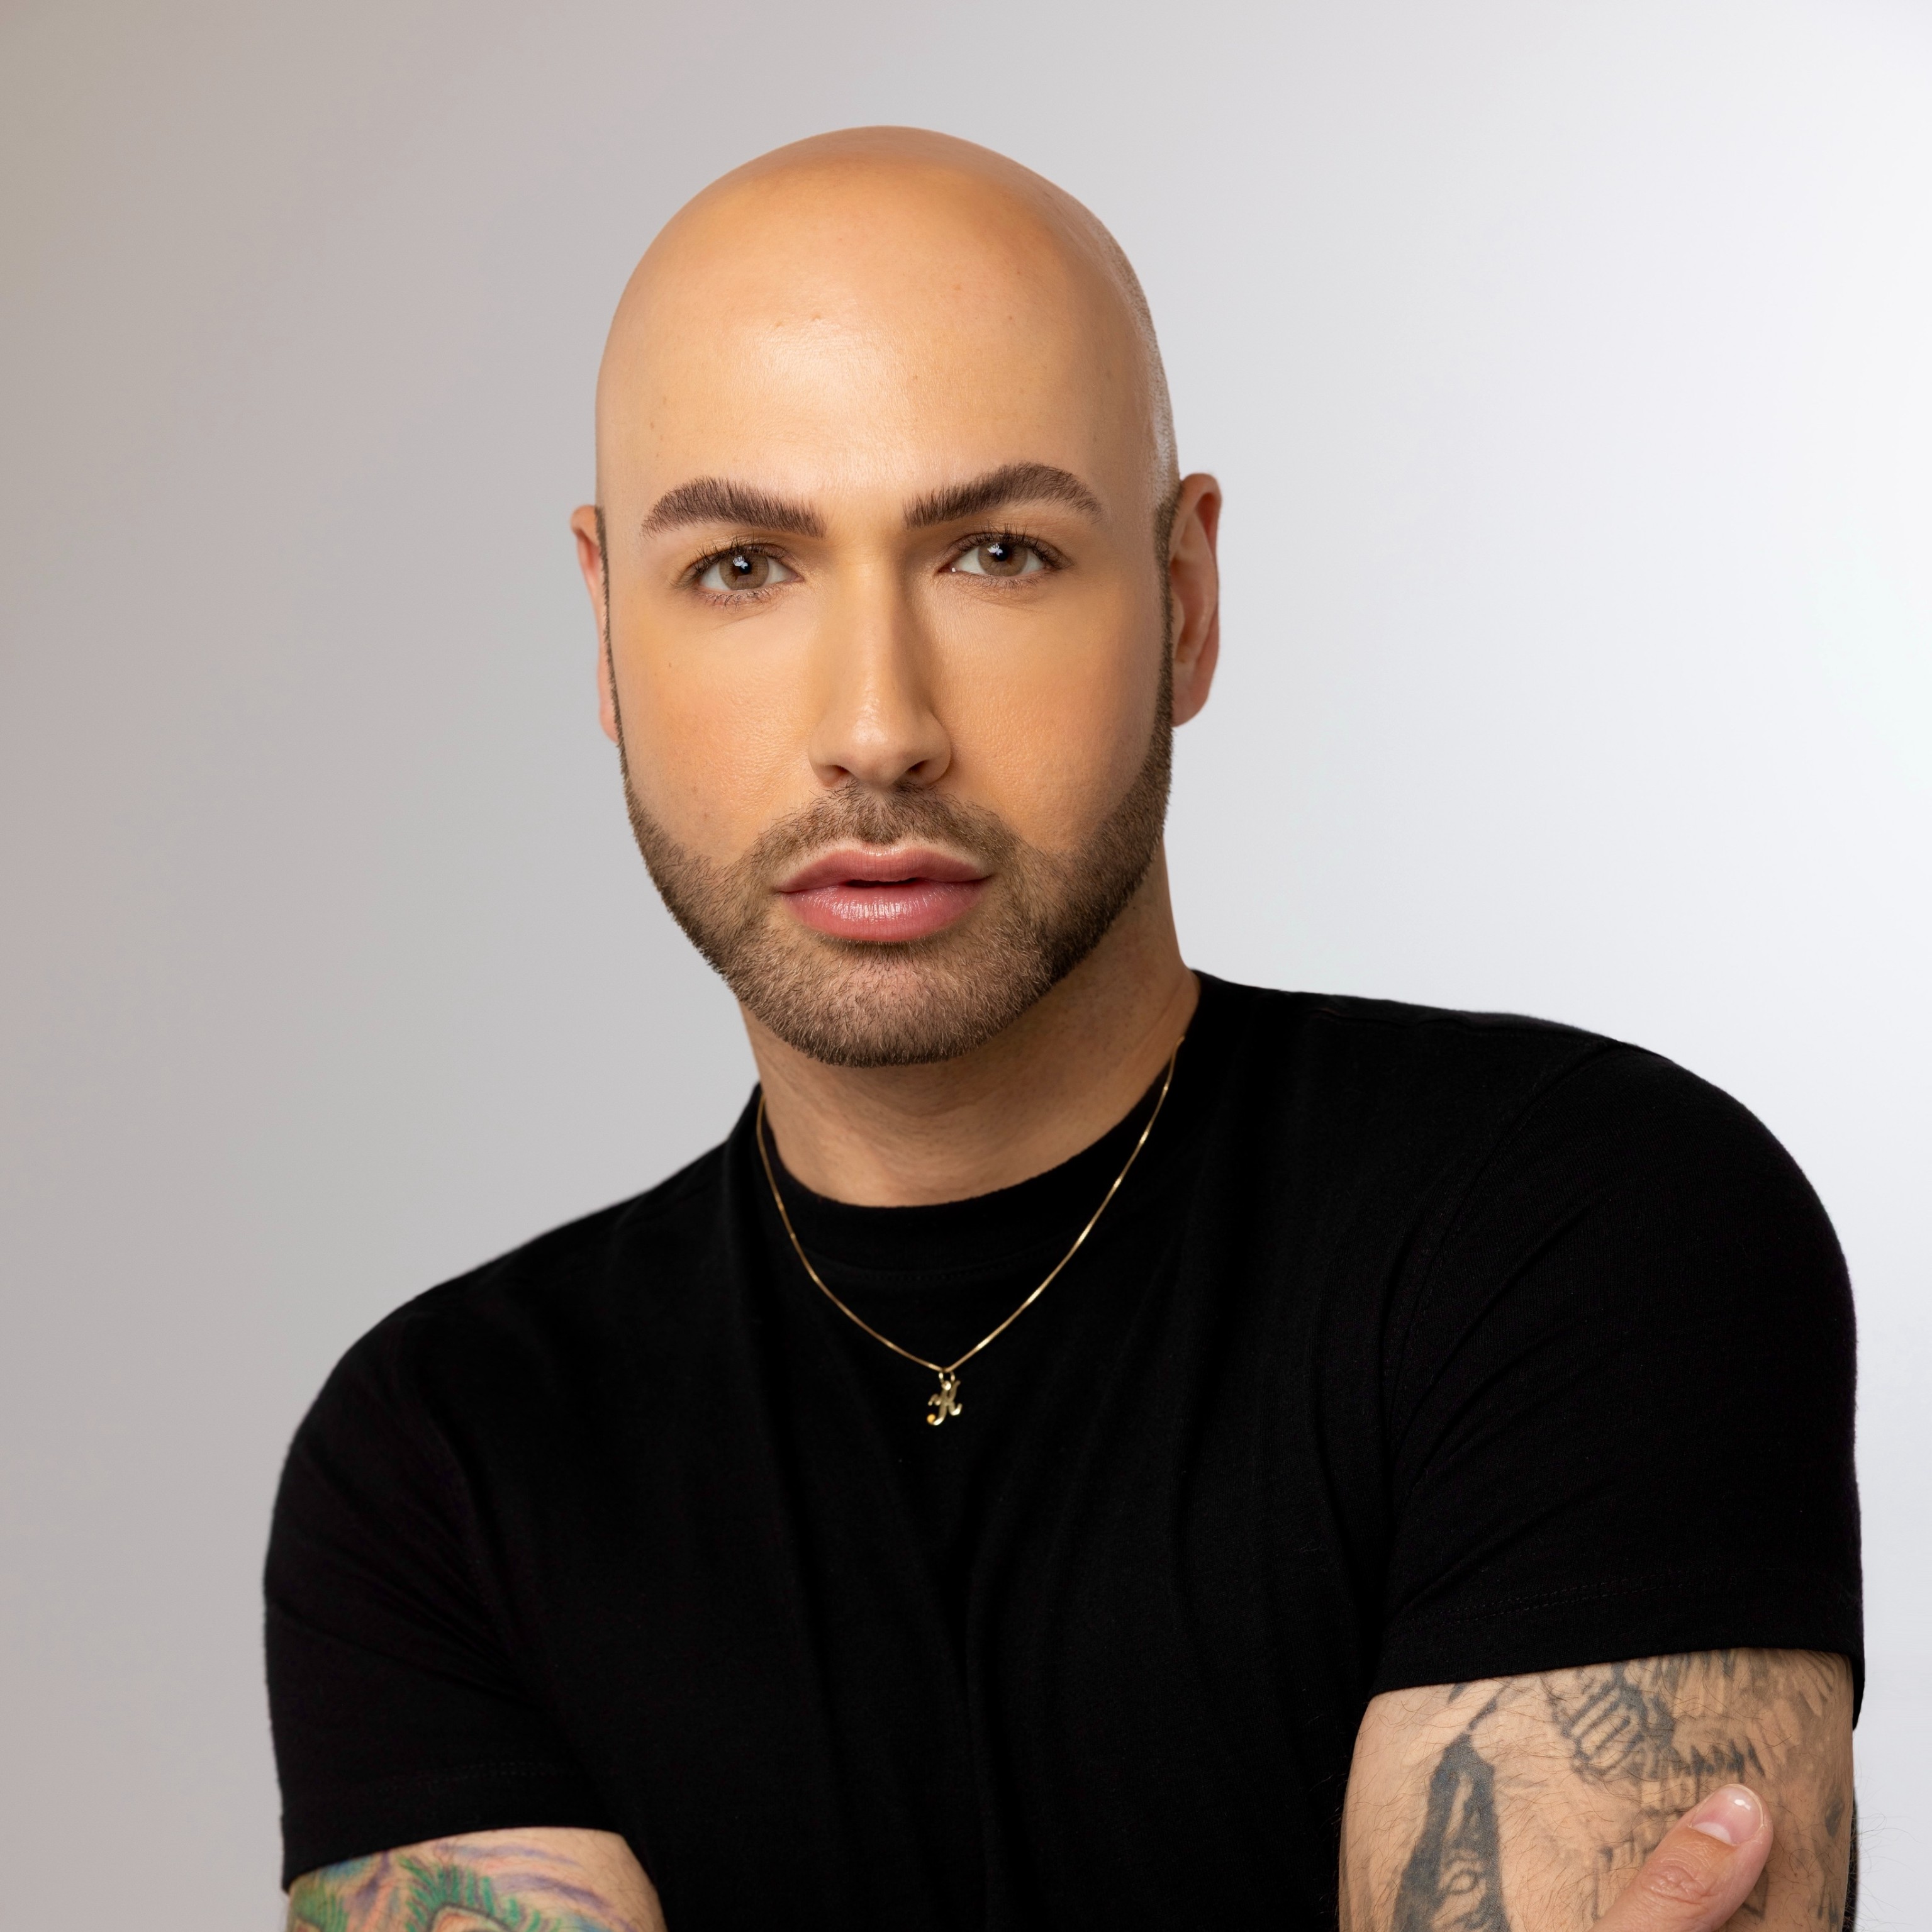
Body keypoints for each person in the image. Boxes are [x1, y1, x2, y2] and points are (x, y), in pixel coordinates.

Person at [266, 128, 1860, 1932]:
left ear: (1183, 597)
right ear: (607, 631)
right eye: (741, 567)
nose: (876, 726)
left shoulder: (1583, 1233)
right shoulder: (445, 1460)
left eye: (1000, 552)